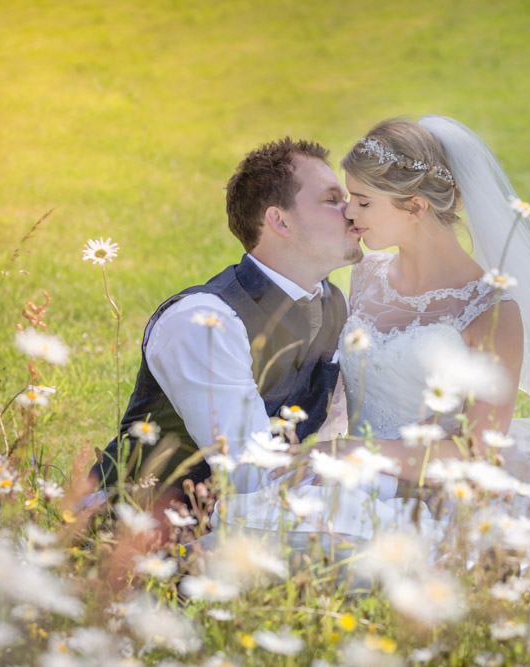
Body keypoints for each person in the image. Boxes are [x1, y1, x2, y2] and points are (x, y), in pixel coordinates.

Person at [211, 117, 530, 544]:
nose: (349, 215)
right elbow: (348, 386)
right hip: (350, 472)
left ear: (415, 207)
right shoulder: (366, 276)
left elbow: (478, 454)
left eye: (362, 200)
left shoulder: (490, 311)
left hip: (435, 490)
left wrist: (356, 452)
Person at [87, 137, 363, 508]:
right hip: (142, 526)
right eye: (332, 200)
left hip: (264, 513)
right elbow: (247, 471)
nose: (353, 212)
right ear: (279, 220)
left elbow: (329, 430)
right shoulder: (203, 321)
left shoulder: (334, 305)